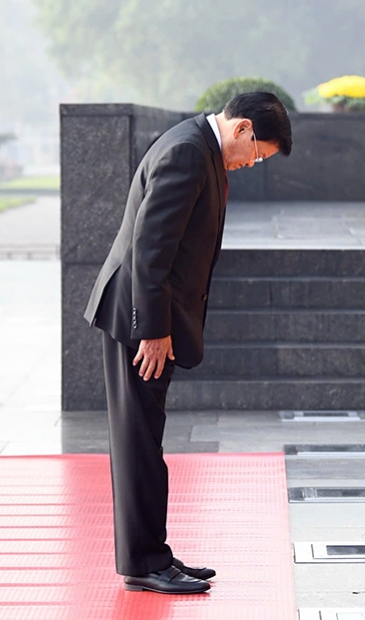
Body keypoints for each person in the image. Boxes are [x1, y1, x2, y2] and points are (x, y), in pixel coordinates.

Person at [83, 92, 293, 594]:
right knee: (138, 443)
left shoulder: (200, 149)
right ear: (242, 129)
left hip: (153, 319)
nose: (251, 164)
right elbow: (150, 251)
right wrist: (152, 330)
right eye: (257, 154)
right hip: (138, 322)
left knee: (146, 438)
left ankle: (155, 556)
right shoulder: (186, 153)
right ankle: (144, 564)